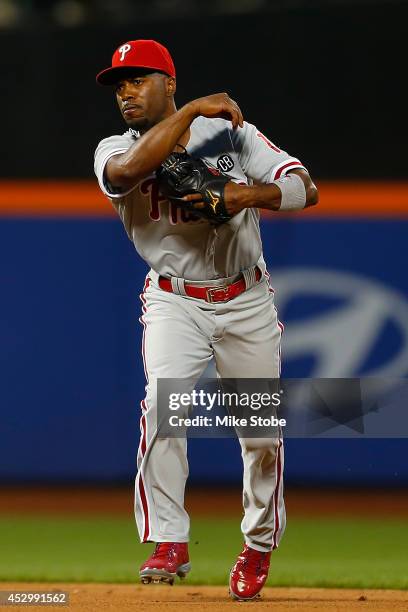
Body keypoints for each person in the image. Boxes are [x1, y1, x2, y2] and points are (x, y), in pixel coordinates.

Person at [94, 39, 318, 601]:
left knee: (262, 437)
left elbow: (304, 188)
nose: (126, 91)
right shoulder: (111, 148)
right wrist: (193, 110)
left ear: (168, 81)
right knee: (164, 403)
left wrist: (244, 194)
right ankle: (168, 538)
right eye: (119, 83)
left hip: (247, 301)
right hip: (175, 300)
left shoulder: (233, 136)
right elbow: (128, 173)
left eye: (139, 78)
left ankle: (259, 543)